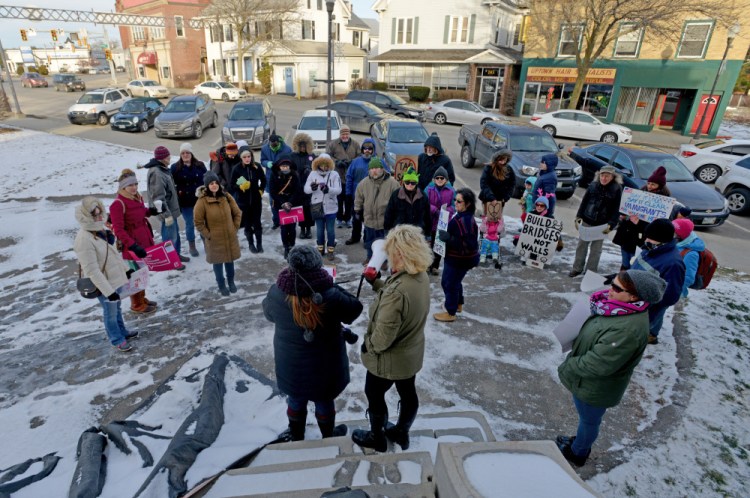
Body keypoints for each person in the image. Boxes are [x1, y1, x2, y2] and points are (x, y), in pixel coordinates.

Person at [557, 269, 667, 466]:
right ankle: (580, 443)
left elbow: (598, 363)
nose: (610, 290)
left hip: (596, 387)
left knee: (589, 421)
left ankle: (578, 452)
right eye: (612, 283)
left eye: (617, 288)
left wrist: (569, 365)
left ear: (634, 296)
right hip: (590, 382)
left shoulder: (627, 330)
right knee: (587, 419)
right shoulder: (621, 309)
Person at [263, 245, 363, 441]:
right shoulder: (329, 295)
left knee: (295, 399)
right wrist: (331, 285)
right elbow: (354, 309)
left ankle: (297, 435)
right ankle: (328, 436)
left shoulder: (277, 292)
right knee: (324, 400)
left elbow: (269, 314)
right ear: (317, 267)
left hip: (290, 364)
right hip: (325, 366)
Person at [352, 225, 433, 452]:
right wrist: (375, 282)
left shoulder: (397, 291)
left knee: (374, 393)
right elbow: (398, 294)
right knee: (408, 392)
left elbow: (382, 338)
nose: (387, 257)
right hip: (411, 354)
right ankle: (401, 432)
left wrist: (368, 347)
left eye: (391, 253)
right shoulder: (419, 275)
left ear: (401, 254)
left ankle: (376, 437)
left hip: (389, 360)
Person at [74, 197, 138, 352]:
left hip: (115, 279)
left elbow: (113, 253)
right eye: (95, 215)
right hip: (104, 285)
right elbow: (92, 270)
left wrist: (125, 269)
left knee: (117, 309)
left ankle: (122, 332)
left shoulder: (99, 231)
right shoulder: (84, 239)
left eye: (99, 213)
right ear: (86, 217)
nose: (99, 217)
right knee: (110, 313)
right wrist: (108, 292)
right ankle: (116, 339)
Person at [109, 169, 157, 314]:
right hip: (132, 245)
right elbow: (119, 230)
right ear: (123, 187)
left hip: (144, 238)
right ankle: (136, 304)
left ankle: (142, 298)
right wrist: (133, 246)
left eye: (135, 184)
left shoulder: (138, 197)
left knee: (142, 271)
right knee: (135, 274)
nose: (134, 187)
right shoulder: (118, 204)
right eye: (130, 185)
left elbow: (141, 213)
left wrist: (151, 212)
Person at [631, 218, 686, 344]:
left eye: (650, 238)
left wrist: (645, 302)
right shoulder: (649, 249)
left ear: (662, 240)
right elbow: (636, 268)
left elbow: (670, 296)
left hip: (644, 311)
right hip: (633, 302)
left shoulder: (673, 264)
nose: (646, 240)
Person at [434, 188, 480, 322]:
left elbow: (468, 245)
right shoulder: (462, 216)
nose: (456, 203)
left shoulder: (466, 221)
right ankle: (458, 304)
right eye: (455, 200)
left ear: (468, 204)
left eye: (459, 201)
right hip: (455, 258)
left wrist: (449, 238)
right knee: (455, 281)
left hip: (459, 260)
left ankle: (450, 312)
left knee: (449, 283)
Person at [194, 172, 243, 296]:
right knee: (218, 263)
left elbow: (237, 213)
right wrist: (209, 235)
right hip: (214, 240)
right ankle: (221, 284)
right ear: (207, 186)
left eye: (216, 183)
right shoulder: (202, 201)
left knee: (230, 261)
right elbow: (198, 222)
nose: (214, 185)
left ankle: (231, 282)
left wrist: (235, 227)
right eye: (211, 183)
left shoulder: (226, 196)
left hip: (229, 236)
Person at [613, 166, 671, 270]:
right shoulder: (639, 193)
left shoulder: (664, 202)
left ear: (660, 185)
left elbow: (658, 225)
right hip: (627, 233)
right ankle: (623, 276)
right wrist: (624, 215)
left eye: (653, 184)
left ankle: (629, 278)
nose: (649, 186)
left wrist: (639, 223)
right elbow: (629, 208)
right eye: (649, 183)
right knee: (625, 260)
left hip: (641, 238)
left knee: (635, 262)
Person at [569, 165, 623, 277]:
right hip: (587, 220)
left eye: (607, 176)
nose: (604, 178)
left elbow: (617, 209)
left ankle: (590, 272)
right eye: (602, 175)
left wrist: (611, 224)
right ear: (599, 175)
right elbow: (584, 202)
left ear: (612, 177)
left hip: (602, 225)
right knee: (581, 246)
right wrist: (578, 216)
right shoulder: (593, 185)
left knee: (596, 250)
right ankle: (577, 268)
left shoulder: (617, 189)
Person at [145, 145, 188, 268]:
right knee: (170, 238)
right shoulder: (157, 173)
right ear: (162, 158)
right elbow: (158, 197)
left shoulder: (162, 168)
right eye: (167, 156)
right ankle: (172, 261)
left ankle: (177, 255)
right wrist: (167, 215)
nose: (170, 158)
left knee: (175, 235)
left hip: (171, 210)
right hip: (166, 212)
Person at [354, 156, 400, 261]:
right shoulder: (363, 183)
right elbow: (358, 198)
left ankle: (384, 260)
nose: (374, 171)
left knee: (386, 243)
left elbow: (397, 201)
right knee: (370, 242)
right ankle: (370, 258)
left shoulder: (393, 183)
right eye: (371, 169)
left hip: (385, 221)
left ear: (382, 169)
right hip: (369, 220)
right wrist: (357, 210)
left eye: (376, 168)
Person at [171, 143, 207, 258]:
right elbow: (171, 184)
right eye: (183, 153)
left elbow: (206, 179)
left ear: (191, 153)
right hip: (185, 201)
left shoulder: (200, 165)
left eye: (187, 152)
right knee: (190, 224)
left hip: (200, 199)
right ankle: (192, 245)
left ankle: (206, 242)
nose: (185, 155)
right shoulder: (175, 167)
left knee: (203, 222)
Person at [304, 154, 342, 260]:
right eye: (322, 165)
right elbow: (306, 190)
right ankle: (320, 248)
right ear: (318, 164)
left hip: (331, 207)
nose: (324, 167)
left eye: (326, 165)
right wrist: (312, 188)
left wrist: (328, 189)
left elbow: (339, 190)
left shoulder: (334, 174)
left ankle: (330, 249)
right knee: (319, 230)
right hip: (317, 206)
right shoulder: (313, 174)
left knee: (330, 230)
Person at [230, 148, 267, 253]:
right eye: (244, 157)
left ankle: (259, 243)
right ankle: (251, 244)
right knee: (247, 223)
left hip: (256, 199)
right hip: (243, 201)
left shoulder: (257, 166)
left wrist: (261, 190)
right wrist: (240, 187)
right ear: (241, 158)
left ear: (251, 156)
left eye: (249, 156)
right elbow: (232, 185)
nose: (247, 159)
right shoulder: (237, 168)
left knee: (257, 223)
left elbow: (263, 180)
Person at [344, 139, 378, 246]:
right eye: (365, 148)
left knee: (369, 219)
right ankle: (355, 237)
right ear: (362, 150)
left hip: (372, 196)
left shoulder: (378, 162)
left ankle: (367, 239)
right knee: (356, 218)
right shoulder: (355, 162)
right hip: (356, 196)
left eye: (370, 149)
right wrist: (348, 193)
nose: (367, 151)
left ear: (373, 150)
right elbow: (349, 177)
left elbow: (385, 177)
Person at [327, 125, 361, 228]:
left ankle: (348, 218)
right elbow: (328, 155)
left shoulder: (355, 144)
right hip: (338, 176)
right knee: (339, 199)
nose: (345, 136)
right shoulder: (333, 144)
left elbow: (359, 156)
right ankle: (339, 218)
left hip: (350, 177)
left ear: (349, 134)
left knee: (349, 199)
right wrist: (337, 162)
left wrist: (351, 162)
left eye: (346, 134)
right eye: (343, 134)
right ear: (340, 134)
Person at [270, 156, 303, 259]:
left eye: (286, 166)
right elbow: (272, 192)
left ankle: (292, 245)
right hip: (280, 204)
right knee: (284, 228)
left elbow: (298, 190)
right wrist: (283, 203)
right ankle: (286, 247)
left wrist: (290, 202)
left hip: (292, 203)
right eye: (283, 166)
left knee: (292, 227)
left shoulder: (294, 175)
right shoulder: (274, 175)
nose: (285, 168)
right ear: (279, 167)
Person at [424, 166, 456, 275]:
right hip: (430, 221)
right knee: (429, 244)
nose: (439, 180)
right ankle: (427, 265)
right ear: (434, 179)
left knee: (439, 245)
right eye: (437, 178)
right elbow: (425, 203)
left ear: (446, 180)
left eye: (442, 178)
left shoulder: (451, 191)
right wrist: (434, 210)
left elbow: (454, 205)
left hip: (443, 222)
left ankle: (435, 266)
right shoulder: (428, 189)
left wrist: (447, 211)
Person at [384, 167, 432, 236]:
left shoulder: (423, 196)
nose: (410, 184)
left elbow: (427, 217)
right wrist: (387, 231)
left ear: (416, 183)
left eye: (413, 183)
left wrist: (428, 234)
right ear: (403, 182)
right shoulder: (396, 195)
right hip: (399, 233)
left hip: (417, 233)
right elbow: (389, 214)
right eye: (407, 182)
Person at [261, 133, 293, 229]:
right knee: (273, 202)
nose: (273, 146)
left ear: (278, 142)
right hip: (271, 179)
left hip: (284, 180)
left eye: (275, 144)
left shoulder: (287, 149)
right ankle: (276, 221)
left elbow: (291, 163)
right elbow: (262, 160)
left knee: (285, 201)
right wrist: (267, 163)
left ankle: (286, 220)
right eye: (271, 144)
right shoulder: (264, 149)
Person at [290, 133, 316, 240]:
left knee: (309, 209)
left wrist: (309, 170)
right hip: (297, 186)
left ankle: (309, 229)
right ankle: (302, 229)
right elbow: (290, 169)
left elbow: (316, 169)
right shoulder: (293, 156)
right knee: (300, 209)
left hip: (309, 186)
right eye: (300, 146)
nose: (302, 148)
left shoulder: (311, 156)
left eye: (304, 146)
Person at [479, 150, 516, 222]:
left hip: (500, 199)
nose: (503, 162)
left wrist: (506, 197)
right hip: (487, 198)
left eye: (505, 160)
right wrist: (492, 198)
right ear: (497, 160)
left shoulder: (509, 169)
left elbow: (512, 184)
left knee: (496, 220)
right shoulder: (489, 168)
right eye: (501, 160)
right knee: (487, 219)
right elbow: (484, 184)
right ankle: (485, 232)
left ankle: (494, 232)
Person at [673, 219, 705, 297]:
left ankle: (679, 308)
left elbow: (688, 278)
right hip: (667, 286)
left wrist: (670, 288)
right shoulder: (677, 242)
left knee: (677, 307)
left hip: (675, 292)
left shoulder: (691, 254)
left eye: (672, 231)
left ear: (679, 235)